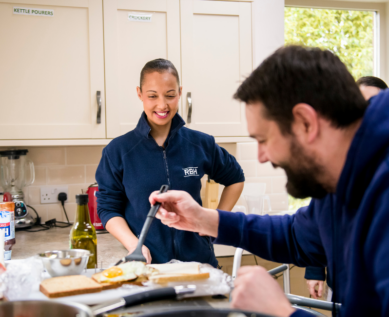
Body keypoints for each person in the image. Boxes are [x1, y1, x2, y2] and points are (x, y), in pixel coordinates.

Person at [149, 46, 389, 317]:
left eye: (263, 139)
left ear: (305, 122)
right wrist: (202, 219)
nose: (262, 157)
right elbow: (297, 237)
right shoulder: (337, 177)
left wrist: (282, 312)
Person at [95, 59, 244, 267]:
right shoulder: (118, 151)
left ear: (180, 92)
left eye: (170, 95)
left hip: (200, 266)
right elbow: (108, 208)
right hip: (147, 267)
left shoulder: (201, 143)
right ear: (139, 94)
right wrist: (135, 246)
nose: (162, 105)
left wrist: (214, 223)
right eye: (152, 96)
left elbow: (235, 179)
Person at [304, 75, 388, 300]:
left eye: (374, 105)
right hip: (340, 286)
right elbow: (317, 224)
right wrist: (314, 270)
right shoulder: (336, 165)